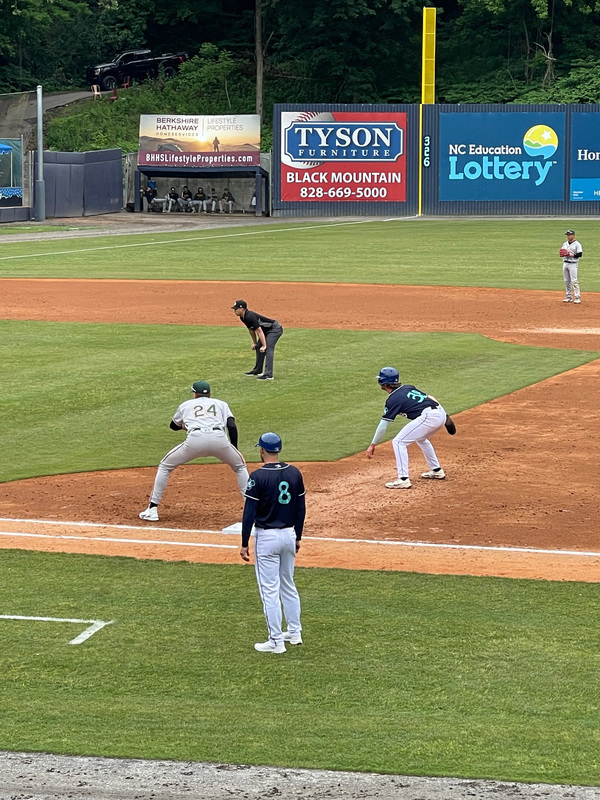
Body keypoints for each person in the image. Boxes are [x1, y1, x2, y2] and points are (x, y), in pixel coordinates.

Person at [139, 380, 249, 521]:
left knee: (165, 466)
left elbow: (173, 426)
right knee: (240, 467)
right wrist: (233, 449)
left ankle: (152, 509)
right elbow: (232, 426)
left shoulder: (186, 405)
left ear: (194, 393)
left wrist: (185, 426)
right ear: (210, 393)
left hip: (195, 440)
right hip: (219, 439)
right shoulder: (221, 404)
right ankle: (253, 511)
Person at [240, 432, 306, 654]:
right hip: (289, 535)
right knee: (288, 584)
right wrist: (298, 536)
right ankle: (294, 633)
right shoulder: (294, 472)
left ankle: (276, 641)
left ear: (262, 450)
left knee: (269, 590)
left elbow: (249, 513)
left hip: (266, 538)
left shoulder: (257, 477)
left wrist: (244, 542)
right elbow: (300, 509)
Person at [366, 367, 448, 489]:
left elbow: (383, 425)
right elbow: (430, 397)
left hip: (429, 417)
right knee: (421, 438)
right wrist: (446, 417)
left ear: (383, 383)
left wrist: (373, 444)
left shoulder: (393, 400)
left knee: (398, 442)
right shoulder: (407, 387)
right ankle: (436, 470)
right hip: (440, 413)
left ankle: (403, 479)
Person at [231, 299, 284, 380]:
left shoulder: (250, 316)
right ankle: (258, 370)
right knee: (258, 347)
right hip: (266, 331)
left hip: (274, 329)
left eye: (236, 309)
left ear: (242, 309)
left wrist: (264, 345)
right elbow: (251, 330)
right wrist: (255, 343)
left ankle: (268, 374)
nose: (234, 311)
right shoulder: (243, 317)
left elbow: (259, 330)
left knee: (268, 348)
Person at [560, 229, 583, 304]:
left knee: (574, 281)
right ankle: (568, 297)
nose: (568, 236)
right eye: (567, 235)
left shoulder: (577, 244)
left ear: (573, 235)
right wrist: (563, 254)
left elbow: (580, 254)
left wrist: (570, 255)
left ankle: (577, 297)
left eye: (569, 235)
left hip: (573, 264)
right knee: (566, 281)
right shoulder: (565, 244)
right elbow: (562, 252)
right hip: (565, 263)